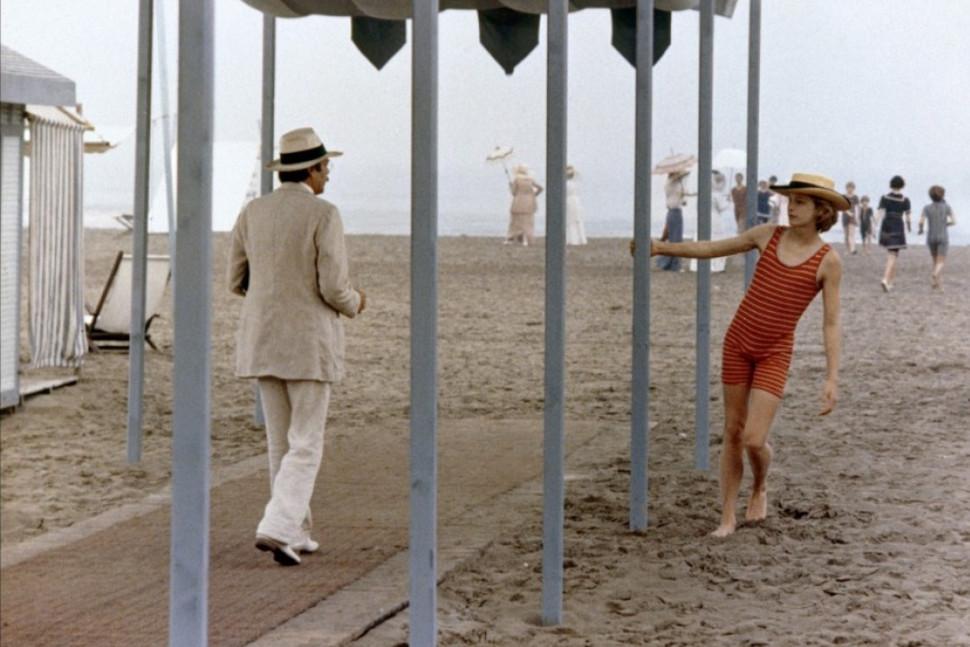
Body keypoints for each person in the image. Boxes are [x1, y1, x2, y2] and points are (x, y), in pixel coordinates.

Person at [630, 172, 846, 537]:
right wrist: (661, 247)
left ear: (821, 211)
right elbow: (713, 248)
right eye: (790, 201)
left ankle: (760, 485)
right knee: (732, 430)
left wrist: (831, 378)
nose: (791, 208)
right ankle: (727, 517)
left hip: (775, 352)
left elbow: (831, 322)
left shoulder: (829, 261)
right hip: (738, 343)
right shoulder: (767, 235)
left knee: (754, 439)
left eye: (800, 203)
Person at [227, 127, 366, 566]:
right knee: (306, 443)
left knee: (280, 443)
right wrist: (356, 303)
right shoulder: (324, 214)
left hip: (262, 339)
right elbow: (333, 286)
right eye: (326, 167)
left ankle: (296, 532)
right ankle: (277, 525)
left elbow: (235, 278)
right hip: (308, 342)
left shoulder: (253, 211)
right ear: (312, 169)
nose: (328, 175)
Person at [876, 175, 912, 292]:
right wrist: (909, 226)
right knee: (893, 254)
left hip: (886, 225)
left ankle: (890, 282)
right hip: (897, 225)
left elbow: (880, 213)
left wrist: (875, 226)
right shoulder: (905, 200)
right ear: (902, 186)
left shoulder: (884, 198)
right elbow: (908, 216)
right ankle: (885, 279)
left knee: (892, 253)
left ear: (891, 185)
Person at [917, 185, 957, 291]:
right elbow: (954, 221)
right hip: (943, 236)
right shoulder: (947, 207)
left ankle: (936, 283)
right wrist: (946, 224)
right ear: (942, 195)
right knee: (941, 261)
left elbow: (921, 221)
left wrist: (920, 230)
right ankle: (935, 274)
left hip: (931, 236)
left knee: (935, 260)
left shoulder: (926, 208)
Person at [656, 169, 689, 271]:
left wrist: (683, 197)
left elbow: (680, 198)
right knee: (676, 240)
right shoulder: (670, 183)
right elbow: (683, 174)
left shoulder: (676, 184)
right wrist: (681, 174)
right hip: (674, 212)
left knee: (674, 239)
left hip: (675, 211)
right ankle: (674, 265)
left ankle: (670, 264)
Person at [506, 164, 543, 246]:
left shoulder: (517, 180)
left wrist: (510, 186)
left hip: (518, 202)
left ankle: (513, 238)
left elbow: (514, 192)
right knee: (528, 222)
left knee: (515, 221)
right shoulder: (530, 179)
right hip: (530, 202)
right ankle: (527, 239)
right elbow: (540, 188)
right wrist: (533, 195)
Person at [565, 165, 588, 245]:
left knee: (570, 220)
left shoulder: (566, 184)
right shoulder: (576, 183)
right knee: (577, 219)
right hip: (576, 201)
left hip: (568, 201)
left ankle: (572, 239)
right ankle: (580, 238)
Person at [840, 181, 860, 255]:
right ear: (846, 188)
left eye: (851, 188)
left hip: (852, 217)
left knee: (851, 234)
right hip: (845, 216)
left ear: (854, 188)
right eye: (849, 187)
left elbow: (858, 208)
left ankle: (853, 249)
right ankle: (847, 250)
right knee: (846, 235)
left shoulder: (855, 197)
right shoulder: (843, 196)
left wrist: (857, 218)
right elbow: (841, 206)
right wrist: (847, 212)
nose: (850, 189)